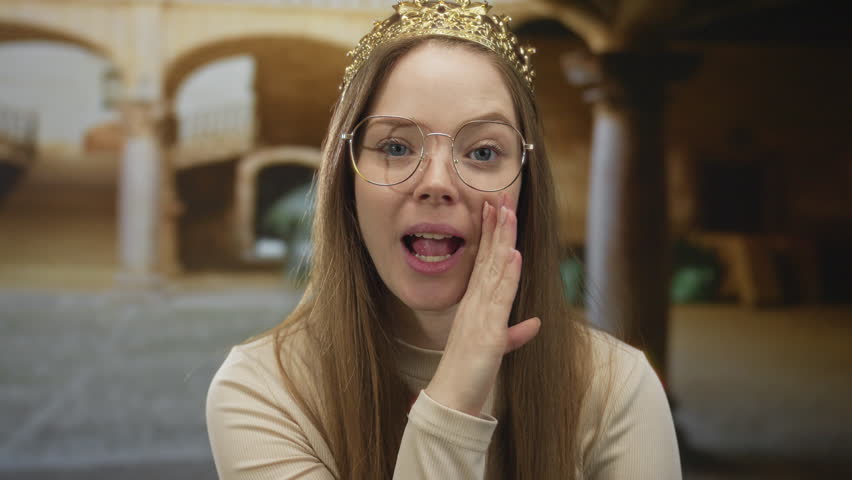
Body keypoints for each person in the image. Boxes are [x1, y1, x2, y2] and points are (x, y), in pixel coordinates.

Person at [206, 1, 681, 478]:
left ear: (526, 186)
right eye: (395, 147)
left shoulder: (618, 388)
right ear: (345, 182)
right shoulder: (263, 389)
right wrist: (455, 396)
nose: (436, 182)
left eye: (482, 151)